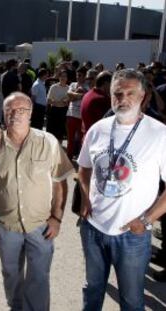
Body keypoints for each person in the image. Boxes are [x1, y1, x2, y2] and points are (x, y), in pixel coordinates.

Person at [78, 69, 166, 311]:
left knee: (131, 299)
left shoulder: (159, 134)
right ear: (110, 95)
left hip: (132, 234)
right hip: (93, 229)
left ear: (143, 96)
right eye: (118, 93)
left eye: (130, 93)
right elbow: (83, 169)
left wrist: (146, 220)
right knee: (92, 289)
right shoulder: (98, 129)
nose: (123, 99)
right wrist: (85, 199)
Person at [0, 92, 73, 311]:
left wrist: (57, 218)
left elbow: (60, 181)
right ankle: (16, 306)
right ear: (3, 113)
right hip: (7, 224)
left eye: (21, 110)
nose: (15, 114)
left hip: (40, 225)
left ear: (30, 114)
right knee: (10, 273)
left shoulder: (47, 141)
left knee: (39, 277)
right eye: (10, 110)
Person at [66, 66, 89, 160]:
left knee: (80, 139)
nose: (77, 77)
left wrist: (74, 95)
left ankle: (80, 159)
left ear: (84, 76)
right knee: (70, 139)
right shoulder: (72, 84)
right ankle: (68, 158)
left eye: (79, 75)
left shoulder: (88, 86)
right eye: (77, 75)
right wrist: (79, 94)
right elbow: (69, 96)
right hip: (71, 114)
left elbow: (85, 97)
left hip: (81, 117)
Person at [46, 70, 70, 142]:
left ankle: (59, 149)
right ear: (59, 77)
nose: (63, 78)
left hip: (64, 112)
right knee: (52, 133)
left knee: (61, 134)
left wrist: (65, 102)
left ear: (67, 78)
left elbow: (69, 101)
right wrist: (58, 102)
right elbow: (48, 100)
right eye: (61, 76)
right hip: (54, 111)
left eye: (65, 76)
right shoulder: (53, 87)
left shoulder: (69, 88)